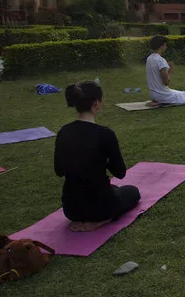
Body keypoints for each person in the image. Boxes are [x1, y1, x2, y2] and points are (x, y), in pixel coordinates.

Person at [54, 81, 140, 232]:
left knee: (113, 188)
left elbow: (59, 170)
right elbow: (120, 173)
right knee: (132, 191)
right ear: (96, 103)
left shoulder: (64, 132)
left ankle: (94, 217)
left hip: (71, 209)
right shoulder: (105, 134)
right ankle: (103, 220)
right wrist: (104, 159)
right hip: (102, 208)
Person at [145, 35, 185, 107]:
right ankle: (162, 102)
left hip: (153, 95)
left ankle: (158, 101)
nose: (166, 47)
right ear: (162, 46)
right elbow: (166, 82)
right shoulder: (161, 60)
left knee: (178, 92)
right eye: (165, 45)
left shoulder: (149, 58)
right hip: (162, 95)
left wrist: (165, 67)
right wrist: (170, 71)